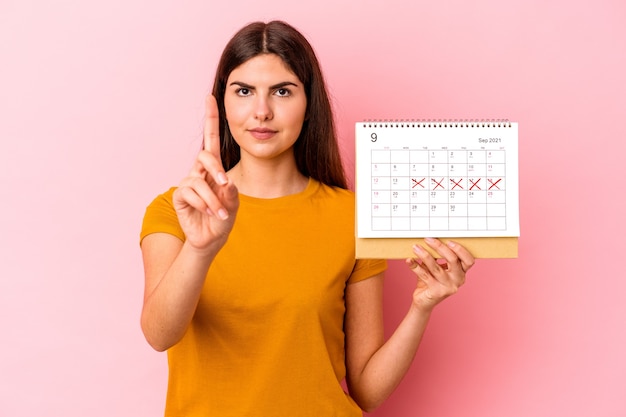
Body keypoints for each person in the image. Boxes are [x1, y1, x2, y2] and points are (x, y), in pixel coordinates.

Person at [139, 20, 474, 416]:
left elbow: (366, 390)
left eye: (282, 91)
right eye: (244, 91)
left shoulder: (352, 216)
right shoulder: (177, 209)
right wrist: (201, 249)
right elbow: (160, 335)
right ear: (223, 103)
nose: (261, 111)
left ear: (309, 103)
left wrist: (423, 306)